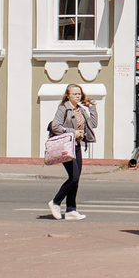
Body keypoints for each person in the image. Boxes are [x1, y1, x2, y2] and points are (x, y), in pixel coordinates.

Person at [48, 84, 97, 221]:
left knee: (76, 179)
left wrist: (91, 106)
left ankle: (71, 209)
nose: (77, 96)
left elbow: (93, 123)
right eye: (74, 94)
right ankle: (56, 201)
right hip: (66, 146)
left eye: (79, 94)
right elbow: (55, 126)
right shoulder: (63, 108)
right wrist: (73, 132)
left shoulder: (80, 110)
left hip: (76, 146)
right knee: (73, 177)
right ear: (68, 95)